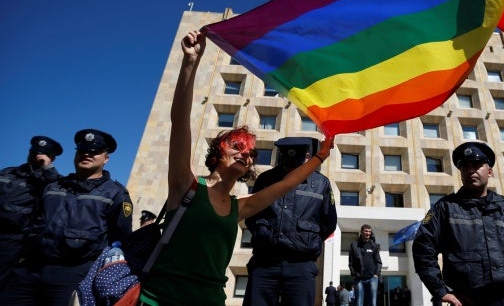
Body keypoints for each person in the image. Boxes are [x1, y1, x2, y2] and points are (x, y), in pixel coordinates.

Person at [137, 30, 333, 306]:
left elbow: (286, 184)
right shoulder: (185, 185)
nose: (246, 155)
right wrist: (190, 63)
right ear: (218, 152)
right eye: (237, 147)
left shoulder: (239, 207)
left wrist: (320, 157)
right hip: (162, 299)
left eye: (251, 153)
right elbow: (180, 122)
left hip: (211, 300)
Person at [412, 141, 504, 306]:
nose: (471, 170)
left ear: (490, 171)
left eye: (477, 165)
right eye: (465, 166)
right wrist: (440, 290)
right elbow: (423, 249)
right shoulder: (443, 209)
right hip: (468, 300)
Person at [2, 129, 132, 306]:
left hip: (74, 274)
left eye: (94, 152)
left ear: (106, 158)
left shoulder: (116, 194)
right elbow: (33, 222)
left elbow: (121, 238)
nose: (87, 154)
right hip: (30, 270)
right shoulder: (53, 187)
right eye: (82, 151)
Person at [243, 136, 337, 306]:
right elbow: (252, 214)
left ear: (307, 156)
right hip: (265, 262)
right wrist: (263, 233)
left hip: (301, 264)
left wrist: (307, 241)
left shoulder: (321, 183)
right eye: (286, 153)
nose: (291, 157)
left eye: (297, 153)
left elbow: (329, 222)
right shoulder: (265, 179)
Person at [0, 135, 63, 290]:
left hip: (14, 238)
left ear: (52, 158)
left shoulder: (51, 181)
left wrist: (46, 168)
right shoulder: (8, 173)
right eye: (34, 151)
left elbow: (59, 191)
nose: (37, 156)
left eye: (43, 154)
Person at [349, 224, 383, 306]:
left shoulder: (374, 245)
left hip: (372, 278)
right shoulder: (354, 245)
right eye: (366, 231)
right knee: (358, 303)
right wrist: (354, 273)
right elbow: (351, 262)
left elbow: (378, 262)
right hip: (359, 279)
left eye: (369, 232)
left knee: (372, 303)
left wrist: (376, 274)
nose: (368, 233)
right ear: (361, 232)